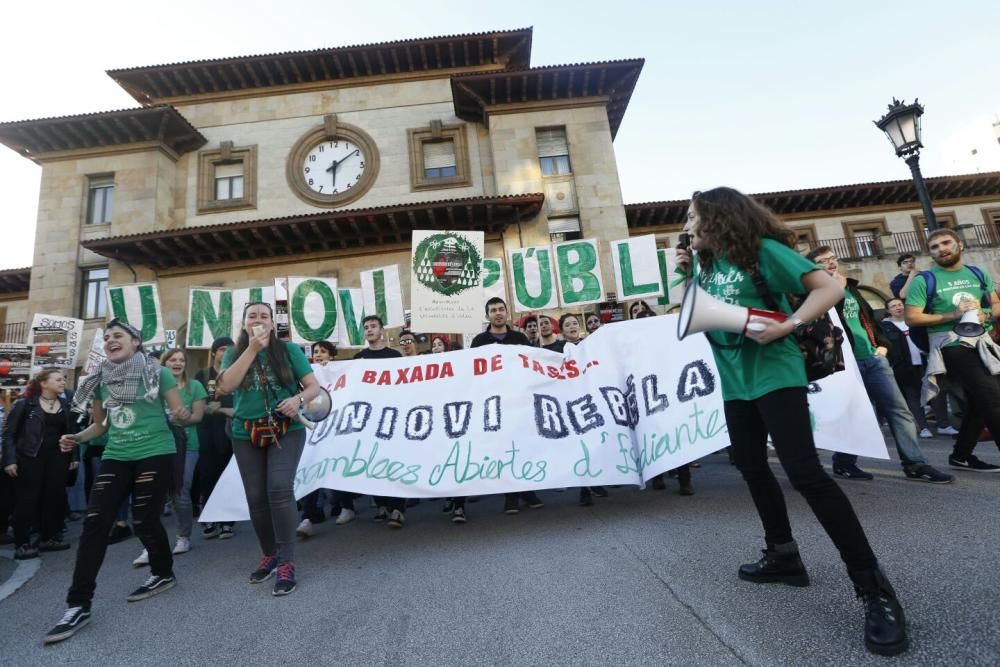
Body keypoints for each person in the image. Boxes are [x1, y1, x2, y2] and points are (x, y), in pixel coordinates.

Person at [677, 187, 907, 656]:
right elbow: (688, 312)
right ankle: (782, 554)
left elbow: (829, 287)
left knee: (805, 474)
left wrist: (791, 323)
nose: (686, 226)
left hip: (776, 371)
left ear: (718, 218)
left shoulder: (763, 252)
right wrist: (682, 272)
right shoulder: (708, 264)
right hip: (736, 380)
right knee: (749, 463)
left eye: (692, 217)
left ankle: (874, 590)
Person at [44, 320, 192, 645]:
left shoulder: (158, 373)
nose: (111, 340)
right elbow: (101, 426)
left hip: (156, 450)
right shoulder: (100, 381)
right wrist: (76, 437)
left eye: (118, 335)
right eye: (107, 337)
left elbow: (183, 412)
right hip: (117, 453)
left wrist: (184, 414)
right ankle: (77, 605)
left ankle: (163, 572)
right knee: (95, 524)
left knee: (144, 519)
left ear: (135, 342)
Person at [806, 247, 953, 484]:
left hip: (873, 358)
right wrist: (837, 289)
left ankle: (915, 463)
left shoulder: (851, 287)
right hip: (843, 363)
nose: (831, 263)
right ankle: (844, 462)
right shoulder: (813, 292)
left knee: (899, 410)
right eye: (823, 261)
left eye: (833, 259)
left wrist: (883, 345)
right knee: (855, 413)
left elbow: (869, 319)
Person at [216, 303, 322, 597]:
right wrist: (251, 349)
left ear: (273, 324)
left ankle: (287, 562)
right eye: (253, 316)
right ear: (244, 324)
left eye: (264, 316)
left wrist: (297, 401)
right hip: (245, 432)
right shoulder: (233, 353)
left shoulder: (289, 351)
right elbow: (225, 386)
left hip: (286, 429)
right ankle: (269, 553)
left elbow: (313, 387)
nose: (259, 320)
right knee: (255, 497)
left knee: (278, 488)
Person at [904, 228, 1000, 472]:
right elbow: (912, 318)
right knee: (993, 398)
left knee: (981, 402)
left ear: (960, 245)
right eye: (935, 247)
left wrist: (985, 313)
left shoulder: (978, 273)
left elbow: (997, 304)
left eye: (946, 243)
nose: (941, 249)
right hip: (950, 344)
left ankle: (961, 455)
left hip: (983, 341)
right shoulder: (923, 280)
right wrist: (952, 315)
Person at [471, 297, 545, 515]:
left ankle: (527, 490)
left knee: (523, 447)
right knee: (505, 449)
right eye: (493, 310)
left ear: (507, 312)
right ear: (487, 316)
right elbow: (473, 372)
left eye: (501, 309)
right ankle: (511, 495)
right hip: (495, 403)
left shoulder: (519, 338)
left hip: (519, 400)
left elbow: (532, 364)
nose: (498, 313)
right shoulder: (479, 341)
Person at [133, 348, 206, 567]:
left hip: (187, 444)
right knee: (154, 492)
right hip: (156, 443)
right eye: (173, 359)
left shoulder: (195, 386)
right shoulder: (151, 386)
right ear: (164, 364)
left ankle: (183, 537)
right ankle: (151, 545)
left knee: (181, 488)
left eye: (182, 360)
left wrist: (179, 417)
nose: (178, 363)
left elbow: (197, 417)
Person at [2, 369, 81, 559]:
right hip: (30, 458)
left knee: (54, 498)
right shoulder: (25, 404)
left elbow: (72, 432)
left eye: (63, 379)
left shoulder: (66, 404)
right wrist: (10, 460)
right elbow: (9, 434)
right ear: (44, 383)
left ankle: (48, 538)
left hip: (58, 458)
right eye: (58, 379)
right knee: (27, 500)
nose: (63, 383)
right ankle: (22, 543)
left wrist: (74, 457)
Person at [352, 315, 408, 528]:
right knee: (373, 462)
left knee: (393, 461)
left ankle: (398, 508)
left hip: (392, 417)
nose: (369, 330)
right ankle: (381, 504)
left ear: (382, 330)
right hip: (370, 419)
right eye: (366, 327)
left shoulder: (394, 356)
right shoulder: (359, 359)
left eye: (373, 326)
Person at [879, 297, 956, 438]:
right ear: (888, 310)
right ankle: (923, 427)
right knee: (913, 396)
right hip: (904, 366)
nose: (898, 307)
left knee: (937, 392)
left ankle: (943, 425)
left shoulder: (915, 320)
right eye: (893, 306)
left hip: (926, 360)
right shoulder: (884, 327)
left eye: (900, 304)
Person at [195, 336, 236, 540]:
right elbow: (195, 403)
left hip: (230, 433)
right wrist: (206, 408)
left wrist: (221, 408)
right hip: (206, 433)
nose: (225, 352)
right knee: (208, 475)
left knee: (227, 476)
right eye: (221, 349)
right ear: (213, 353)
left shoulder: (239, 375)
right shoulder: (202, 375)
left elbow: (241, 408)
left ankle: (227, 521)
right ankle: (209, 517)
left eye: (229, 349)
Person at [296, 340, 338, 537]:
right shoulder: (306, 376)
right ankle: (309, 516)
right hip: (313, 430)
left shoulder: (340, 371)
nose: (318, 354)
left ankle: (343, 505)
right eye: (315, 352)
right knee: (311, 469)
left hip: (336, 430)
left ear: (331, 355)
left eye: (323, 351)